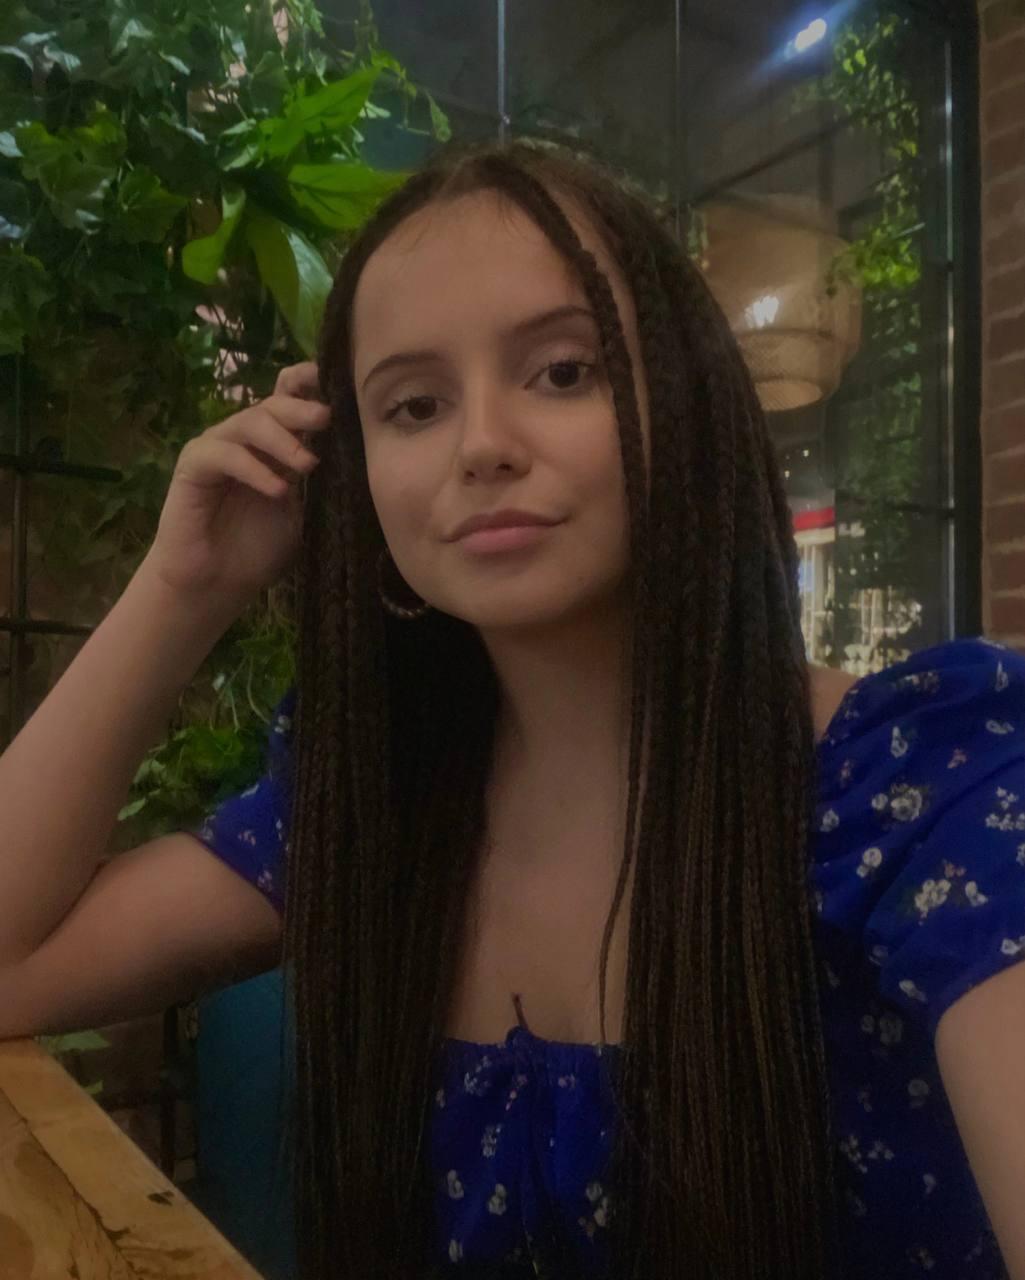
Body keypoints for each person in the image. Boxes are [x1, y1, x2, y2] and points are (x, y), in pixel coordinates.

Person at [0, 140, 1021, 1280]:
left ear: (683, 397)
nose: (481, 446)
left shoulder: (921, 787)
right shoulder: (379, 802)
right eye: (414, 405)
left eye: (563, 372)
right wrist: (187, 585)